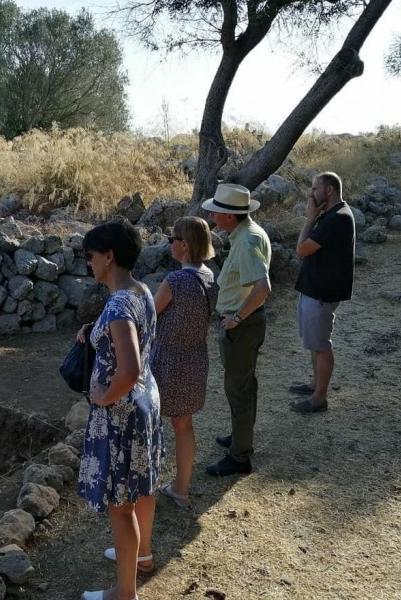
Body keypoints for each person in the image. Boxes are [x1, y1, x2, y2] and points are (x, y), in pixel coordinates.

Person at [76, 218, 163, 600]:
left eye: (91, 256)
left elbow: (128, 369)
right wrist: (93, 332)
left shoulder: (117, 306)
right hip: (146, 402)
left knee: (120, 504)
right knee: (142, 488)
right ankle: (141, 556)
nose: (88, 264)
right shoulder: (141, 290)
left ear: (109, 256)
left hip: (121, 412)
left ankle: (124, 592)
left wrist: (102, 396)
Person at [201, 183, 271, 476]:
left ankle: (240, 457)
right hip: (243, 322)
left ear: (230, 217)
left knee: (238, 388)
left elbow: (263, 287)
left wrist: (237, 318)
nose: (213, 215)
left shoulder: (246, 241)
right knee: (242, 386)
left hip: (242, 325)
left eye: (217, 211)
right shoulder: (248, 234)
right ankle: (239, 439)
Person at [150, 217, 218, 509]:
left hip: (167, 360)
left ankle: (143, 487)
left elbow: (150, 315)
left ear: (185, 244)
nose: (170, 243)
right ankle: (181, 489)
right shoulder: (210, 277)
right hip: (195, 360)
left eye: (172, 239)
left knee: (149, 423)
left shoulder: (175, 281)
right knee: (183, 426)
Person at [290, 172, 355, 413]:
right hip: (314, 289)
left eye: (315, 189)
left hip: (321, 292)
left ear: (329, 190)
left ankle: (319, 398)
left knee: (321, 346)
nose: (311, 194)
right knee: (314, 342)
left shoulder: (337, 218)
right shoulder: (331, 215)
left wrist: (309, 218)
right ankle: (314, 384)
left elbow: (302, 249)